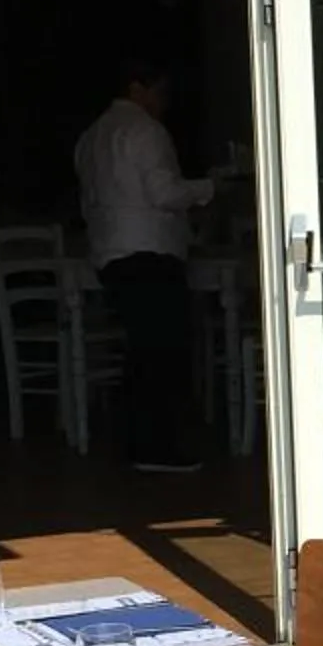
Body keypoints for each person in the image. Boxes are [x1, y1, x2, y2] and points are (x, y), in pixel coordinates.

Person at [75, 58, 213, 472]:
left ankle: (139, 443)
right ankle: (155, 447)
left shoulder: (91, 137)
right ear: (140, 88)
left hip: (110, 252)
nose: (164, 102)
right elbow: (164, 193)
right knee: (161, 352)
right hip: (149, 252)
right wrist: (210, 187)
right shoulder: (145, 131)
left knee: (142, 351)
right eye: (161, 91)